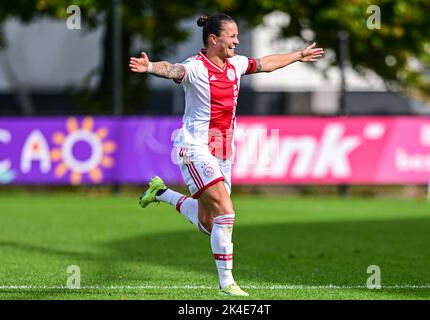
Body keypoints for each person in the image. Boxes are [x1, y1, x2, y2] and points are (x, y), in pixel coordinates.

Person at [129, 12, 324, 297]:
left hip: (222, 151)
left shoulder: (236, 64)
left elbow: (266, 64)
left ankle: (161, 193)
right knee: (227, 214)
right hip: (194, 148)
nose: (237, 40)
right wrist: (149, 68)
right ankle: (227, 284)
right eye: (232, 36)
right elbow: (173, 69)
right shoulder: (195, 68)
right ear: (213, 39)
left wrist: (297, 55)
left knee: (211, 223)